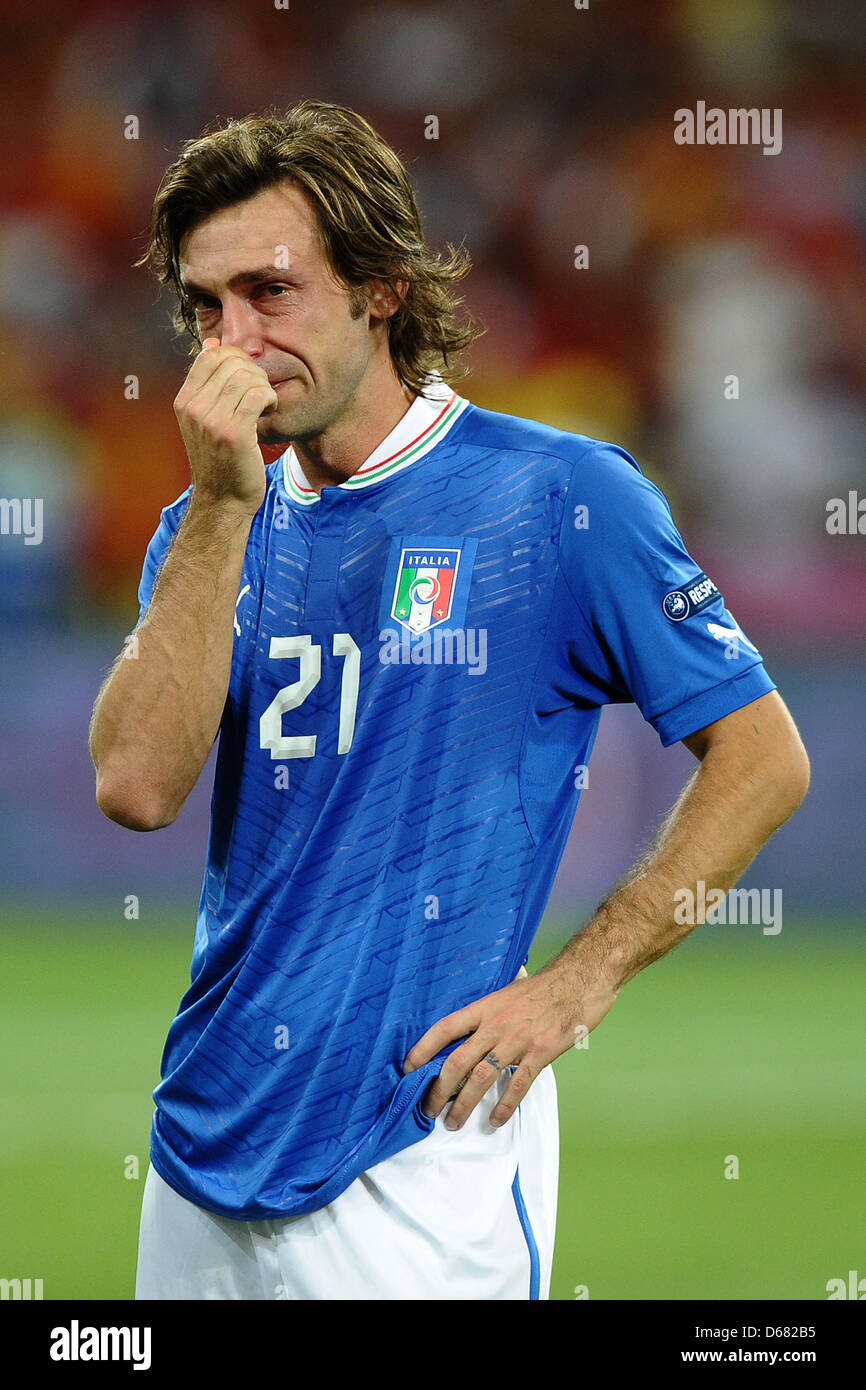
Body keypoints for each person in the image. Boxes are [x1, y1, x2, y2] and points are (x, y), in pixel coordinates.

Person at [88, 100, 810, 1301]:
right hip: (201, 1141)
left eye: (271, 293)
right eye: (206, 308)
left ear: (379, 286)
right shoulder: (204, 525)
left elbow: (762, 756)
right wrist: (219, 510)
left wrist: (574, 986)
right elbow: (136, 788)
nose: (233, 342)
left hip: (420, 1150)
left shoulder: (556, 495)